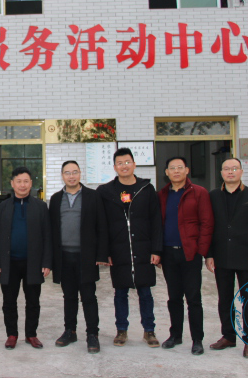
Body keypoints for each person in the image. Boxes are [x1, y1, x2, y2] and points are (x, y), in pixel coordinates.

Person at [97, 147, 163, 348]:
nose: (124, 166)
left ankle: (149, 330)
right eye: (120, 163)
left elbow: (156, 221)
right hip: (119, 250)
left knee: (145, 292)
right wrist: (105, 252)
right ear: (114, 167)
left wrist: (156, 250)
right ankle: (121, 330)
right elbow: (101, 224)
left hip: (143, 249)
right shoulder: (106, 192)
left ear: (134, 164)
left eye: (127, 162)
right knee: (120, 292)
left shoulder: (146, 189)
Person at [206, 158, 248, 359]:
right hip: (221, 256)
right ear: (221, 173)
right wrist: (209, 254)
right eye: (226, 169)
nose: (230, 172)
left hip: (247, 257)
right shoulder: (213, 196)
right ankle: (228, 336)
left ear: (241, 171)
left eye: (234, 168)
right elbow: (208, 227)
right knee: (225, 299)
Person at [49, 161, 108, 354]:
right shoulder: (56, 199)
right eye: (67, 173)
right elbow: (51, 230)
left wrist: (101, 254)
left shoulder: (93, 196)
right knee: (69, 297)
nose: (71, 176)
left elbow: (102, 226)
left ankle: (92, 334)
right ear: (62, 176)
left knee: (89, 297)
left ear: (80, 173)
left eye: (75, 172)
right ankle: (70, 331)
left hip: (86, 256)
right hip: (64, 257)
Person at [157, 157, 214, 355]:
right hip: (168, 253)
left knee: (193, 298)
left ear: (187, 170)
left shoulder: (199, 192)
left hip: (190, 253)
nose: (176, 171)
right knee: (174, 298)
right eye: (172, 168)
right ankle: (175, 335)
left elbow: (207, 223)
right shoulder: (162, 195)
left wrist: (201, 251)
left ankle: (197, 339)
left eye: (179, 167)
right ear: (166, 172)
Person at [0, 166, 51, 350]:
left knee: (33, 301)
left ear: (31, 183)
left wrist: (46, 262)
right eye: (19, 181)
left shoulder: (40, 207)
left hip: (33, 263)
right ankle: (12, 334)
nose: (22, 185)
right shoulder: (2, 207)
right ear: (12, 183)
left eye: (26, 181)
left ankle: (31, 334)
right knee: (9, 302)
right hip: (9, 263)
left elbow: (47, 236)